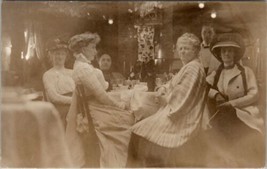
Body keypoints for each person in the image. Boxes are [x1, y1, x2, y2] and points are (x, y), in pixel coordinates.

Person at [129, 33, 207, 167]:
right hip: (174, 111)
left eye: (186, 48)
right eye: (180, 48)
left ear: (195, 50)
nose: (182, 51)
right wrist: (162, 89)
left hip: (181, 117)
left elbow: (182, 98)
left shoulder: (194, 68)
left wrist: (164, 99)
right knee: (141, 120)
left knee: (137, 130)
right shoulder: (188, 66)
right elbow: (172, 83)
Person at [65, 32, 134, 168]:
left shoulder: (84, 66)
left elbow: (102, 89)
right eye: (93, 48)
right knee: (130, 118)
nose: (95, 51)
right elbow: (102, 96)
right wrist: (119, 105)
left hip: (95, 106)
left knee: (131, 111)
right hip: (94, 111)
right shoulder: (83, 69)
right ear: (84, 49)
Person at [205, 33, 264, 167]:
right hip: (222, 113)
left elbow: (254, 94)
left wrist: (232, 103)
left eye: (230, 50)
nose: (227, 53)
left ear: (235, 53)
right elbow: (204, 87)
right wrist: (216, 95)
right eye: (224, 51)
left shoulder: (246, 71)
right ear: (219, 54)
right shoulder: (217, 73)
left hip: (243, 111)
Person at [42, 38, 75, 128]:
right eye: (57, 54)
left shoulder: (72, 72)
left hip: (75, 107)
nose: (60, 57)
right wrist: (75, 101)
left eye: (62, 54)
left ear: (66, 56)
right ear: (51, 56)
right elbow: (54, 97)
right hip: (60, 110)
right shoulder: (48, 74)